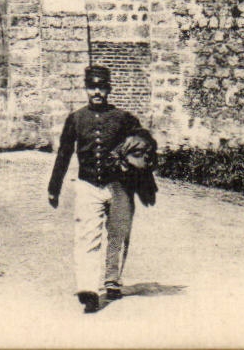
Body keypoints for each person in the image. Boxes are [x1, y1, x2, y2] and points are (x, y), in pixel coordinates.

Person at [46, 65, 158, 313]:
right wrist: (54, 188)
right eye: (92, 87)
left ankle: (112, 281)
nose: (97, 92)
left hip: (120, 186)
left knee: (118, 234)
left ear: (108, 89)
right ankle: (88, 290)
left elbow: (145, 146)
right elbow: (64, 154)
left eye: (101, 87)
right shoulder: (75, 119)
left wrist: (141, 151)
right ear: (85, 88)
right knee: (87, 236)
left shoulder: (124, 118)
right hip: (87, 185)